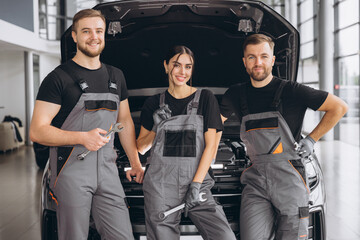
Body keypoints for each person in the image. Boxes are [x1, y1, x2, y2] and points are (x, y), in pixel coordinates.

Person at [220, 33, 348, 240]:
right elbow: (212, 125)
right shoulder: (236, 94)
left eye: (263, 56)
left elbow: (339, 107)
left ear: (272, 60)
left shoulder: (292, 91)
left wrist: (311, 139)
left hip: (289, 180)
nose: (258, 62)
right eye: (251, 57)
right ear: (244, 62)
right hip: (256, 182)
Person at [29, 9, 144, 240]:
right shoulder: (58, 78)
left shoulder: (116, 76)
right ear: (74, 36)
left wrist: (135, 162)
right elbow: (37, 130)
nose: (94, 37)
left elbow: (124, 121)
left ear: (104, 35)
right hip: (71, 170)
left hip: (108, 170)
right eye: (86, 31)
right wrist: (82, 137)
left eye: (99, 31)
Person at [136, 45, 236, 240]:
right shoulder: (153, 103)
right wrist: (156, 128)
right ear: (166, 66)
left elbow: (211, 146)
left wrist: (196, 185)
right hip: (160, 187)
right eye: (177, 65)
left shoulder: (206, 98)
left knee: (224, 237)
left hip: (197, 183)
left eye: (188, 67)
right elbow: (141, 147)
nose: (183, 72)